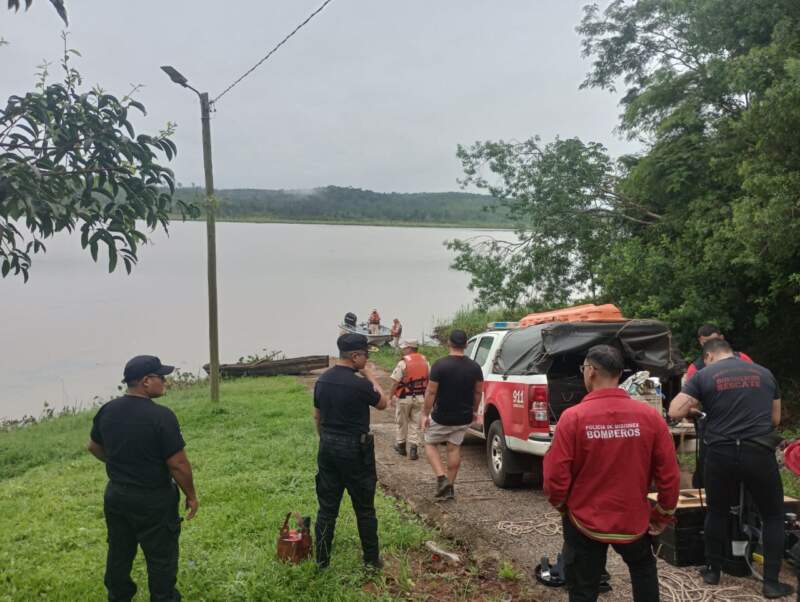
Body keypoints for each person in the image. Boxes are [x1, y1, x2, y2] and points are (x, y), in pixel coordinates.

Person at [544, 345, 680, 602]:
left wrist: (564, 506)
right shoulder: (651, 418)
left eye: (583, 369)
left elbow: (554, 477)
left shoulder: (572, 418)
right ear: (619, 374)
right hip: (634, 521)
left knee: (583, 589)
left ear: (591, 371)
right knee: (643, 571)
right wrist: (663, 513)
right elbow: (669, 475)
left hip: (582, 520)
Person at [668, 339, 792, 599]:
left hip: (720, 453)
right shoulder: (764, 373)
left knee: (717, 511)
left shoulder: (704, 375)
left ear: (709, 356)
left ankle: (713, 571)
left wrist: (697, 409)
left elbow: (675, 411)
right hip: (758, 452)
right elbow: (775, 419)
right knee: (772, 516)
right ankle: (770, 583)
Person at [87, 355, 198, 602]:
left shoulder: (108, 410)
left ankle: (118, 596)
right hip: (154, 499)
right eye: (162, 377)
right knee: (161, 557)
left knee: (119, 550)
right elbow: (178, 464)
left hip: (117, 496)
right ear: (146, 381)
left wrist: (118, 463)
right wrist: (191, 495)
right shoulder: (161, 416)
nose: (166, 382)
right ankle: (163, 597)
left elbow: (93, 446)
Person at [314, 333, 389, 570]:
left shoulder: (323, 381)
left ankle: (322, 562)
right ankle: (371, 561)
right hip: (355, 450)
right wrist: (370, 376)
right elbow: (383, 402)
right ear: (355, 356)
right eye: (365, 355)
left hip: (327, 446)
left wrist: (326, 439)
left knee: (327, 509)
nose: (366, 360)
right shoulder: (360, 384)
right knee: (364, 508)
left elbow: (317, 416)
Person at [420, 329, 483, 500]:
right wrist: (474, 411)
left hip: (442, 417)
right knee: (454, 448)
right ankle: (450, 488)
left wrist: (425, 414)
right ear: (466, 345)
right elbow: (478, 393)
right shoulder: (475, 367)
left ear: (449, 343)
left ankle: (442, 479)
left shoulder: (439, 365)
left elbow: (431, 393)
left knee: (430, 442)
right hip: (463, 417)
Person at [390, 339, 429, 461]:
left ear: (410, 349)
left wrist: (390, 396)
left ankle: (401, 446)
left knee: (401, 421)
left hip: (404, 397)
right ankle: (413, 449)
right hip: (420, 398)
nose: (403, 350)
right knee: (415, 424)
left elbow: (395, 382)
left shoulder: (403, 363)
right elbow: (430, 381)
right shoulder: (426, 363)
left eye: (405, 348)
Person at [684, 323, 752, 382]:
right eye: (706, 343)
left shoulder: (742, 358)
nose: (711, 345)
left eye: (715, 340)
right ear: (700, 341)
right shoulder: (695, 368)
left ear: (722, 338)